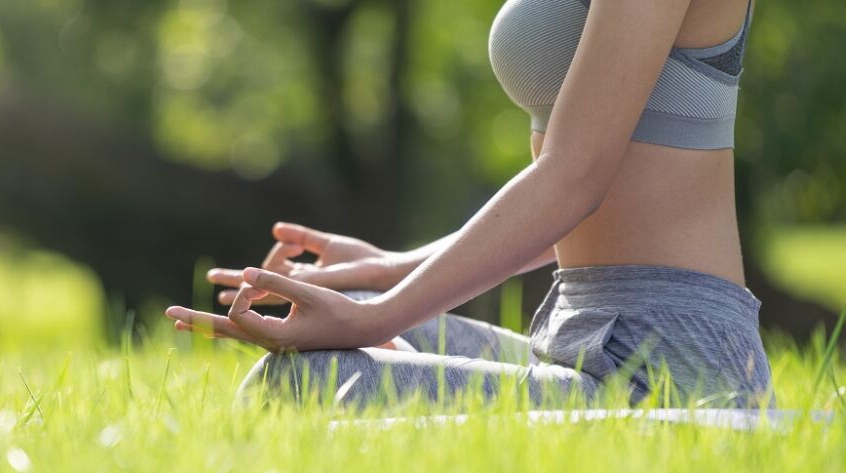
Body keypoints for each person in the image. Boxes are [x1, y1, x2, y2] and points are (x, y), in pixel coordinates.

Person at [165, 0, 774, 409]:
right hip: (584, 332)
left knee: (301, 384)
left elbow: (576, 176)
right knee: (351, 311)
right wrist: (390, 270)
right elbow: (577, 187)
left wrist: (380, 321)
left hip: (671, 367)